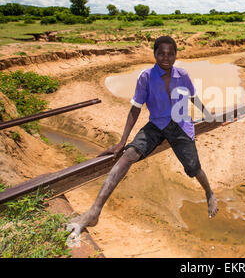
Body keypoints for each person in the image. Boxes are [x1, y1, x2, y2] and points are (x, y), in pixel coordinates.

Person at [70, 36, 218, 236]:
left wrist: (206, 113)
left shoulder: (182, 75)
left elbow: (192, 96)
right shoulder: (146, 77)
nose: (166, 57)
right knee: (127, 156)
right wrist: (123, 141)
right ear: (155, 54)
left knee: (193, 167)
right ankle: (94, 211)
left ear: (175, 55)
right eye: (161, 53)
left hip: (181, 124)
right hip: (156, 125)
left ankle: (209, 192)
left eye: (170, 54)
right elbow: (135, 109)